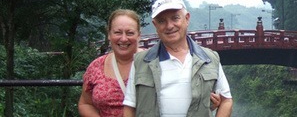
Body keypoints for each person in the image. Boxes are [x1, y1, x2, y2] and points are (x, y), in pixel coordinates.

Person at [78, 8, 222, 116]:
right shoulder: (97, 66)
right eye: (117, 32)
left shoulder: (154, 60)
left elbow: (182, 93)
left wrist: (205, 102)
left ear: (139, 35)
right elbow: (85, 103)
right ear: (109, 35)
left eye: (130, 33)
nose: (123, 39)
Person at [123, 0, 233, 117]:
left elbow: (226, 101)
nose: (169, 26)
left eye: (175, 18)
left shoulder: (209, 58)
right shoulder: (141, 61)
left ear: (187, 18)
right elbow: (130, 107)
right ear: (155, 25)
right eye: (162, 21)